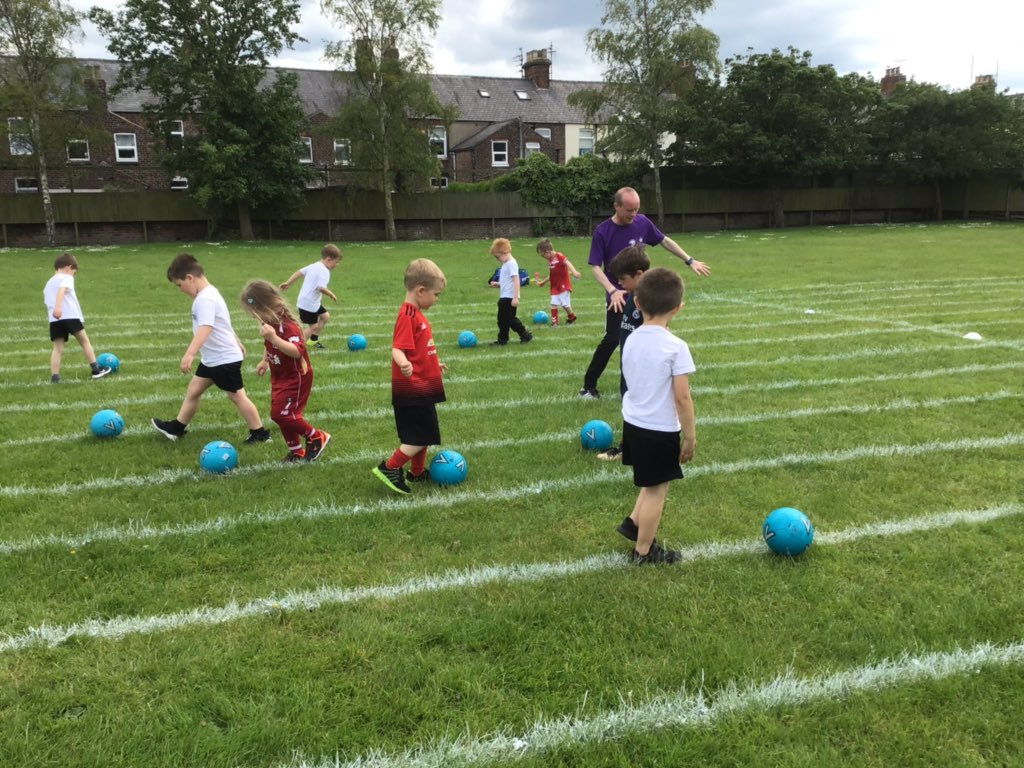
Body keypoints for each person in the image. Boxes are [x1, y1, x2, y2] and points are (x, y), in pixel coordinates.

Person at [579, 187, 710, 399]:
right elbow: (595, 266)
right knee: (613, 339)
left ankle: (674, 384)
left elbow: (664, 240)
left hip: (645, 293)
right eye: (629, 209)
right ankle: (588, 386)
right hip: (618, 296)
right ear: (617, 206)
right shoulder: (603, 231)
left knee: (659, 336)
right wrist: (612, 290)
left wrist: (689, 260)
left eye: (636, 209)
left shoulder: (642, 222)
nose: (633, 214)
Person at [616, 267, 697, 564]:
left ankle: (633, 522)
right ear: (678, 309)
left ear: (637, 303)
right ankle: (644, 551)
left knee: (651, 481)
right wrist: (690, 436)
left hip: (633, 423)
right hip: (659, 430)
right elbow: (682, 397)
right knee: (657, 488)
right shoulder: (676, 347)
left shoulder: (632, 338)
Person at [151, 253, 271, 444]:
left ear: (190, 278)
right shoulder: (210, 293)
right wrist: (237, 340)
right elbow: (223, 322)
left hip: (222, 359)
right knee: (194, 391)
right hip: (214, 358)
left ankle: (260, 434)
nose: (180, 290)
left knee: (237, 396)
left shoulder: (205, 299)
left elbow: (206, 327)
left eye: (179, 285)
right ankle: (177, 428)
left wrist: (190, 353)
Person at [373, 259, 449, 495]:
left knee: (424, 433)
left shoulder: (415, 313)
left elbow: (420, 347)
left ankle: (416, 473)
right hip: (413, 388)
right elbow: (397, 348)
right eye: (436, 294)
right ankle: (390, 467)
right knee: (419, 435)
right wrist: (404, 363)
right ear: (421, 291)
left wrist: (435, 363)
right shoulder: (407, 315)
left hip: (423, 384)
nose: (437, 299)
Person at [240, 279, 331, 463]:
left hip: (296, 377)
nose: (255, 317)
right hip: (280, 375)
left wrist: (274, 338)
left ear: (266, 307)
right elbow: (269, 344)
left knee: (281, 414)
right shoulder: (270, 321)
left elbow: (297, 351)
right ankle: (296, 452)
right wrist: (265, 360)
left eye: (255, 313)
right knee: (282, 414)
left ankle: (316, 436)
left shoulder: (288, 326)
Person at [597, 244, 650, 461]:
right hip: (628, 363)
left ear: (639, 275)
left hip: (641, 367)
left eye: (622, 279)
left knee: (637, 407)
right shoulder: (633, 294)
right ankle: (629, 445)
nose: (619, 283)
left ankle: (631, 447)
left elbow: (658, 333)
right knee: (627, 404)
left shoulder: (647, 300)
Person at [42, 252, 112, 383]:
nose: (73, 274)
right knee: (85, 341)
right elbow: (62, 290)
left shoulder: (49, 282)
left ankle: (55, 377)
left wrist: (54, 311)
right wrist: (58, 307)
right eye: (74, 272)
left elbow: (47, 300)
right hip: (69, 316)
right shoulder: (66, 277)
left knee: (57, 349)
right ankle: (96, 369)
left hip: (54, 320)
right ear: (69, 267)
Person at [279, 243, 342, 349]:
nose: (337, 265)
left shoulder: (314, 265)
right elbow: (321, 288)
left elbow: (299, 272)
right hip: (309, 303)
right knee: (313, 327)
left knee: (325, 316)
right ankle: (295, 345)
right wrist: (331, 294)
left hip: (309, 301)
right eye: (336, 262)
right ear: (328, 259)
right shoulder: (325, 271)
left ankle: (312, 341)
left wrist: (288, 283)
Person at [488, 238, 533, 345]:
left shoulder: (512, 264)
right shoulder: (506, 264)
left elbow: (516, 280)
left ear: (505, 252)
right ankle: (507, 338)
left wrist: (516, 297)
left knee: (509, 320)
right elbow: (508, 282)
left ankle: (520, 335)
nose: (497, 259)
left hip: (509, 297)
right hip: (504, 296)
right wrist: (498, 284)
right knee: (504, 320)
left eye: (498, 257)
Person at [533, 238, 581, 326]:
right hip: (555, 286)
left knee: (561, 304)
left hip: (563, 285)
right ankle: (563, 320)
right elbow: (552, 275)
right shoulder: (550, 261)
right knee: (557, 303)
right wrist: (542, 282)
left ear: (548, 252)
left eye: (543, 255)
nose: (543, 257)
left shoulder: (559, 256)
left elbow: (567, 262)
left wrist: (574, 272)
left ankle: (563, 320)